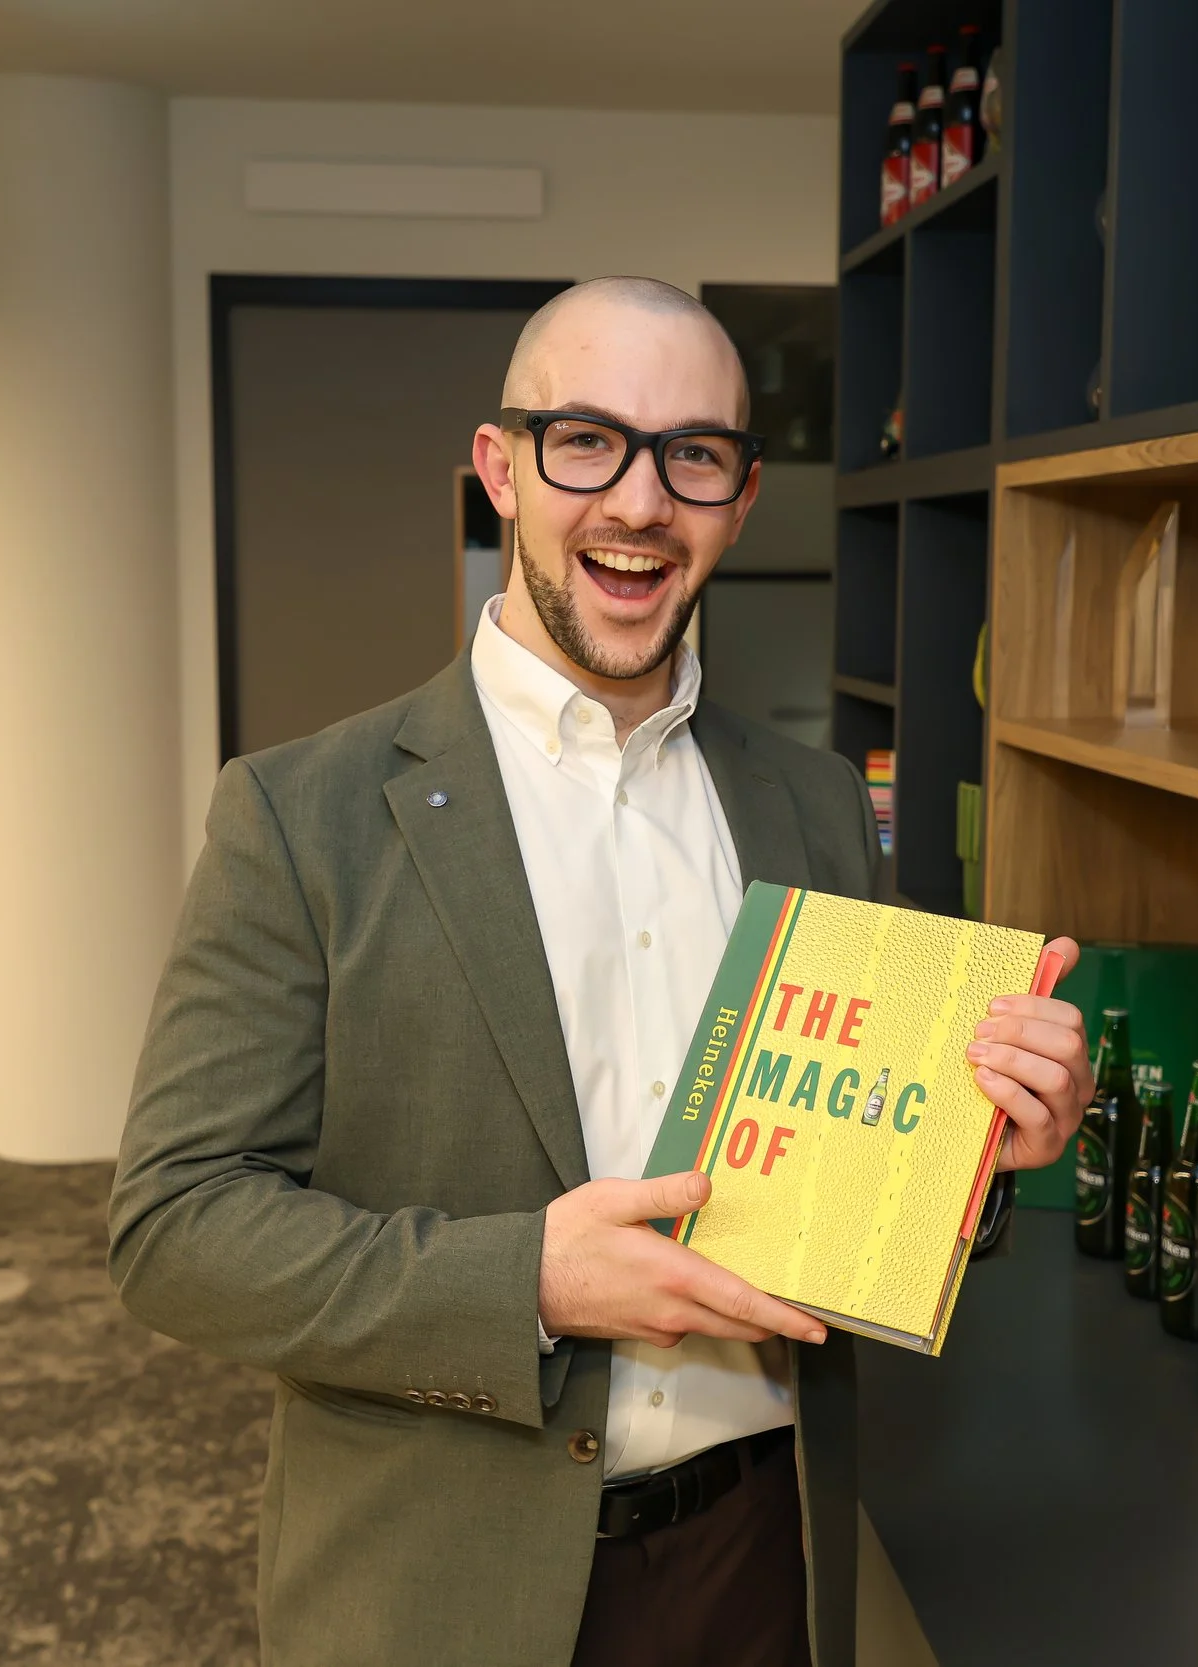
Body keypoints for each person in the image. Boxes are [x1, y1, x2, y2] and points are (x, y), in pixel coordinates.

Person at [106, 277, 1093, 1667]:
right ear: (500, 469)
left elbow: (863, 1190)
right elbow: (174, 1228)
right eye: (587, 439)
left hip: (763, 1561)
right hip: (439, 1583)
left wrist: (983, 1152)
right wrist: (531, 1282)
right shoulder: (302, 814)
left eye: (692, 454)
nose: (640, 501)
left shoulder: (814, 803)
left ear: (740, 501)